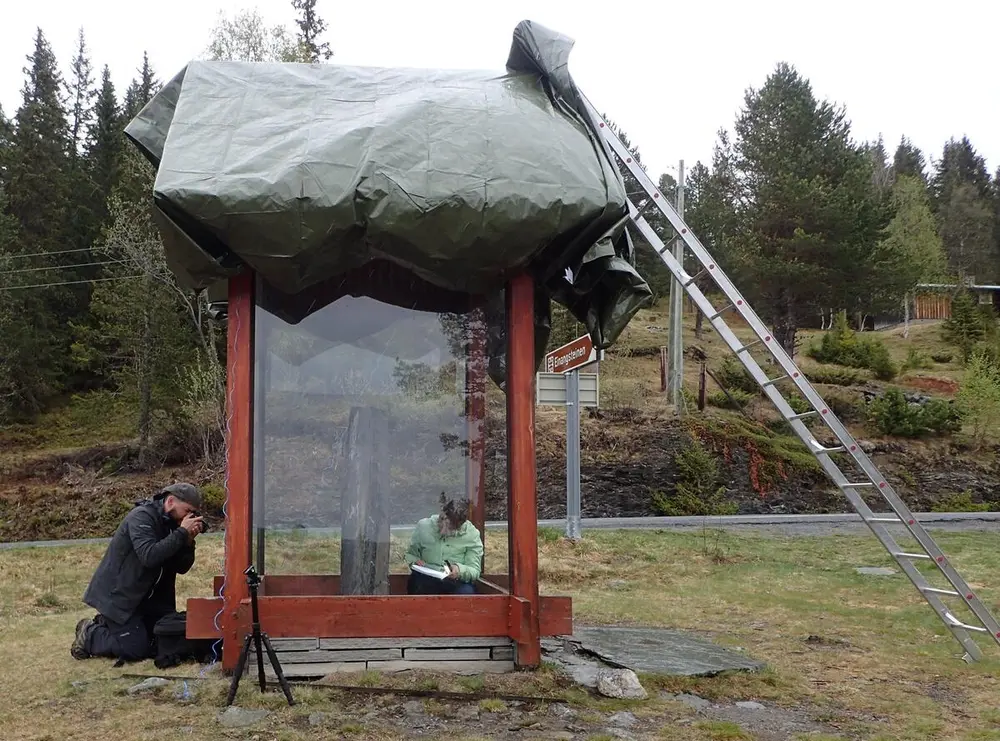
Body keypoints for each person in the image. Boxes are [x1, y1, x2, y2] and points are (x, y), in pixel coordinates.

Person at [71, 483, 206, 663]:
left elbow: (181, 568)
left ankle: (110, 624)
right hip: (120, 598)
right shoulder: (142, 517)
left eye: (194, 514)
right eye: (188, 510)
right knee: (136, 650)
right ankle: (89, 633)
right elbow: (149, 556)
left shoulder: (174, 525)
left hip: (150, 600)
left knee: (163, 640)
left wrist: (188, 542)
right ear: (171, 501)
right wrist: (181, 533)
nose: (189, 517)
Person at [405, 494, 483, 595]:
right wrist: (415, 562)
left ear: (460, 525)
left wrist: (459, 570)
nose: (442, 532)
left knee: (466, 592)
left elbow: (475, 570)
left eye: (449, 529)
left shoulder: (472, 534)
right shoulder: (423, 526)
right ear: (441, 515)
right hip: (426, 579)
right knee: (416, 584)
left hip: (456, 581)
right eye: (441, 524)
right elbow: (410, 555)